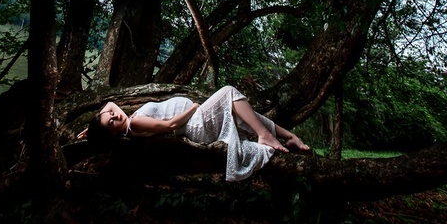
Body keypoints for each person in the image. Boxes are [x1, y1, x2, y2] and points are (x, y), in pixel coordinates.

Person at [78, 85, 311, 182]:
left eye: (110, 116)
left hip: (196, 121)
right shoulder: (136, 123)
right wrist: (192, 108)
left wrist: (95, 126)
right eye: (111, 122)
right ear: (113, 133)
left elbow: (109, 103)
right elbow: (169, 126)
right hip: (195, 124)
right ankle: (265, 136)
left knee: (242, 112)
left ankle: (288, 136)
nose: (115, 116)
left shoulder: (127, 120)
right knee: (229, 92)